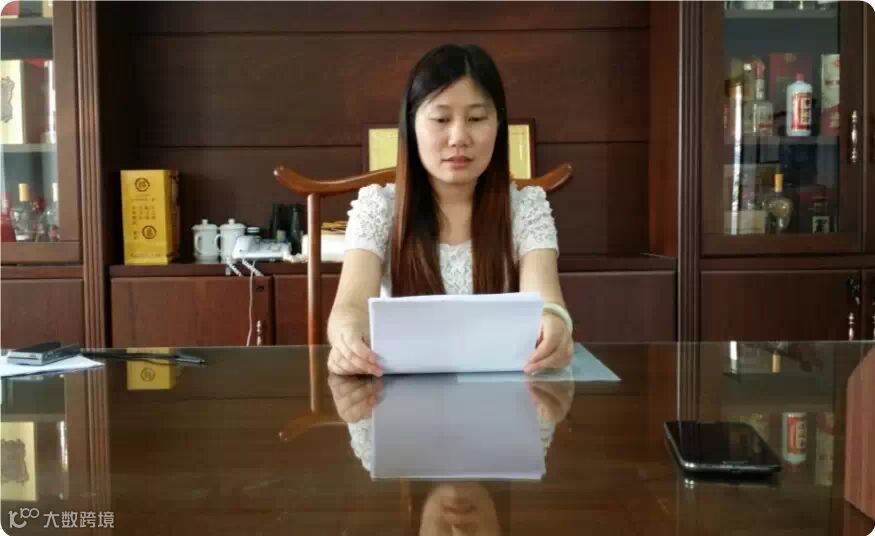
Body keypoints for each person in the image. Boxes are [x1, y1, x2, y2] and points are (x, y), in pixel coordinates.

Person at [327, 44, 573, 376]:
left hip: (502, 392)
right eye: (441, 119)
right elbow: (350, 307)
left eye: (476, 118)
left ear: (498, 125)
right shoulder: (378, 207)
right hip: (401, 394)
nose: (458, 137)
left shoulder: (526, 207)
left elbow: (547, 302)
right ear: (411, 126)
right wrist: (347, 338)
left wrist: (555, 323)